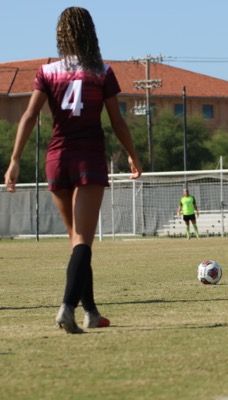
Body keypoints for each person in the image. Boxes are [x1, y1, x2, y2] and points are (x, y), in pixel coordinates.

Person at [4, 7, 142, 334]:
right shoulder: (102, 72)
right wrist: (133, 155)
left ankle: (91, 311)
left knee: (76, 239)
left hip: (56, 159)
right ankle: (67, 308)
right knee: (83, 239)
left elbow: (28, 116)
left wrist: (14, 159)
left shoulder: (47, 71)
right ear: (91, 33)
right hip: (88, 158)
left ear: (61, 34)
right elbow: (117, 121)